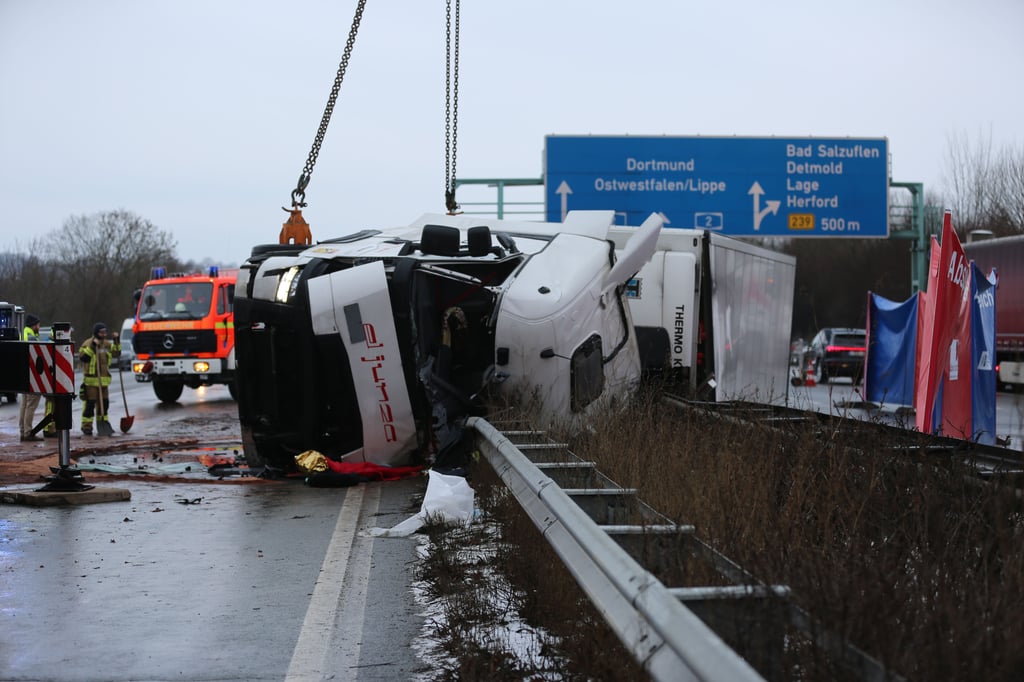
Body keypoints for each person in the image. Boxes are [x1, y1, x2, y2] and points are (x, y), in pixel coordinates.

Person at [79, 322, 121, 436]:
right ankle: (86, 426)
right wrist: (93, 346)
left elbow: (116, 353)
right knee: (90, 404)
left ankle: (102, 423)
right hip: (91, 381)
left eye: (105, 332)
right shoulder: (87, 343)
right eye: (101, 332)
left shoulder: (106, 344)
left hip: (104, 381)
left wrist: (116, 340)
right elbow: (84, 358)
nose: (104, 334)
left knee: (105, 404)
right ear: (96, 333)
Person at [18, 314, 42, 441]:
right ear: (34, 325)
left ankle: (23, 431)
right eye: (38, 325)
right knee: (31, 404)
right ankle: (28, 432)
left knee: (24, 404)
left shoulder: (23, 333)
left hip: (23, 375)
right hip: (32, 376)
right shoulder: (31, 336)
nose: (39, 327)